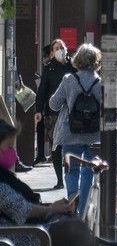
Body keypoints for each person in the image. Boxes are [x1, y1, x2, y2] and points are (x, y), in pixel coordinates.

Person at [49, 44, 103, 215]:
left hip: (70, 132)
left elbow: (54, 104)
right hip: (93, 135)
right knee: (89, 169)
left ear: (77, 60)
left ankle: (72, 206)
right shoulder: (100, 83)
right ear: (96, 62)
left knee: (71, 170)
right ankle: (84, 209)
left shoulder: (68, 80)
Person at [34, 39, 75, 190]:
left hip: (71, 112)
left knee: (70, 146)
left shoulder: (73, 65)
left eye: (62, 47)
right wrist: (38, 110)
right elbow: (42, 91)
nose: (60, 50)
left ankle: (70, 176)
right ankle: (60, 180)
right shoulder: (49, 68)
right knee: (56, 147)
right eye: (56, 48)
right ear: (52, 52)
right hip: (53, 113)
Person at [34, 44, 53, 164]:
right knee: (42, 129)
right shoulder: (48, 68)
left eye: (45, 55)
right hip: (44, 105)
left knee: (52, 131)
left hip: (49, 106)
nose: (44, 58)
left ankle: (50, 154)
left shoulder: (52, 68)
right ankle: (41, 154)